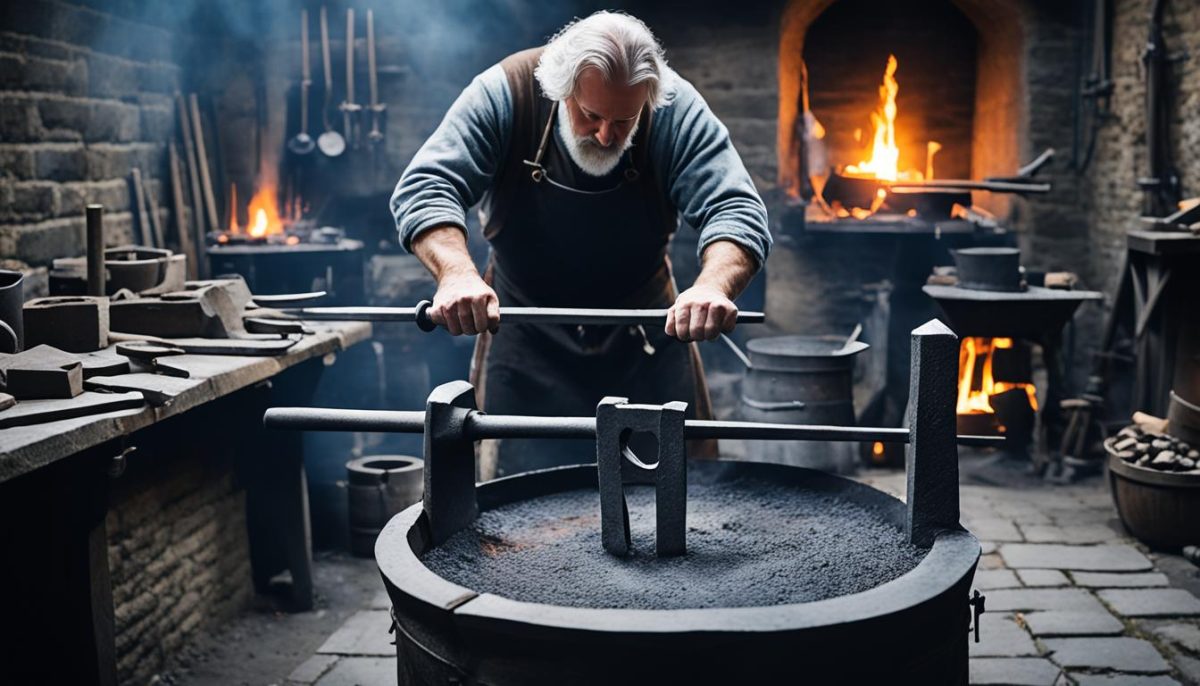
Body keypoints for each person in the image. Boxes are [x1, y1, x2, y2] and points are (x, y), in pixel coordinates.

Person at [390, 11, 771, 476]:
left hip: (647, 334)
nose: (608, 135)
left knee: (679, 500)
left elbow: (736, 209)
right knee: (523, 514)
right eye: (592, 115)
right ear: (561, 89)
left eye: (625, 120)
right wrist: (455, 274)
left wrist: (713, 286)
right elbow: (426, 187)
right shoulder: (506, 92)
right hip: (526, 331)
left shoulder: (673, 105)